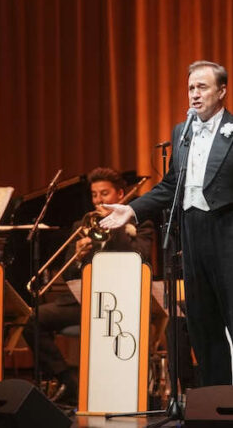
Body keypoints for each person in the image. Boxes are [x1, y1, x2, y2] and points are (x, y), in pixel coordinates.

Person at [101, 60, 233, 387]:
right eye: (191, 87)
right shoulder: (182, 131)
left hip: (232, 234)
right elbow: (170, 186)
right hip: (192, 235)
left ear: (222, 91)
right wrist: (132, 210)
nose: (194, 94)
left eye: (202, 87)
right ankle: (216, 399)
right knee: (202, 323)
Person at [22, 167, 154, 405]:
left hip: (123, 303)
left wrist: (116, 227)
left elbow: (141, 259)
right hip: (83, 302)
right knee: (33, 319)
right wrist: (81, 256)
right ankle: (69, 381)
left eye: (104, 193)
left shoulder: (141, 224)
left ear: (120, 194)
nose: (99, 200)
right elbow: (69, 273)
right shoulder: (81, 225)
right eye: (95, 195)